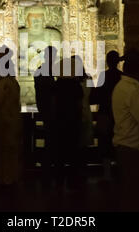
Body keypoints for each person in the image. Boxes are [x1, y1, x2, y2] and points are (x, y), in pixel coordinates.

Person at [112, 48, 139, 211]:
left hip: (129, 145)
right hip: (133, 147)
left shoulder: (123, 87)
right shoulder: (131, 90)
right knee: (135, 193)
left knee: (131, 191)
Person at [0, 48, 23, 192]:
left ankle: (5, 179)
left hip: (3, 121)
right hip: (13, 119)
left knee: (3, 151)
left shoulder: (3, 84)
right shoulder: (14, 82)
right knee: (11, 151)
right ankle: (11, 178)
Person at [90, 50, 122, 182]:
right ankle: (120, 172)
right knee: (119, 141)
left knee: (105, 142)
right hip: (119, 113)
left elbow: (97, 95)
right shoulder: (122, 76)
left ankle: (107, 174)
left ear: (108, 62)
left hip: (105, 113)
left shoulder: (104, 75)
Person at [54, 57, 85, 190]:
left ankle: (59, 180)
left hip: (60, 121)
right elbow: (79, 104)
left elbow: (53, 103)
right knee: (73, 152)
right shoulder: (75, 85)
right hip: (73, 121)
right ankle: (74, 180)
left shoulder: (57, 85)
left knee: (59, 152)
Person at [34, 46, 58, 185]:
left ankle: (48, 169)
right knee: (50, 141)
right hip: (48, 109)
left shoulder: (44, 71)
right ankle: (47, 170)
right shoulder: (43, 71)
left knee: (51, 140)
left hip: (47, 108)